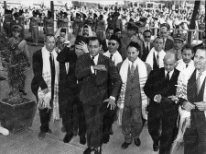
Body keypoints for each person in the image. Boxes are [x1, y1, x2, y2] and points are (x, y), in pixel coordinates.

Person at [75, 37, 121, 154]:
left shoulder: (106, 60)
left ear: (100, 47)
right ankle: (92, 147)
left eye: (95, 47)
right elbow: (78, 74)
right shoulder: (82, 58)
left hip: (101, 99)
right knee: (90, 124)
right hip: (86, 98)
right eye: (90, 46)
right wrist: (92, 68)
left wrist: (112, 97)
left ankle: (97, 148)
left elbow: (117, 80)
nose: (92, 49)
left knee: (98, 124)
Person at [144, 52, 180, 154]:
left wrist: (177, 98)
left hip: (170, 110)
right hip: (155, 108)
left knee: (167, 135)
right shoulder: (154, 73)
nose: (168, 67)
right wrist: (154, 96)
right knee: (152, 129)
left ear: (176, 63)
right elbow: (146, 88)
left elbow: (182, 94)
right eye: (166, 64)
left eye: (171, 65)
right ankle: (156, 140)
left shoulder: (180, 75)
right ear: (163, 62)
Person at [118, 42, 151, 149]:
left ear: (138, 52)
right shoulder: (120, 66)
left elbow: (149, 86)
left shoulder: (146, 67)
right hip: (125, 99)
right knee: (125, 121)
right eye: (129, 53)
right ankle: (127, 139)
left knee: (137, 121)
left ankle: (136, 136)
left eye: (133, 52)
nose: (131, 55)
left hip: (138, 100)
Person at [56, 35, 87, 144]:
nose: (78, 51)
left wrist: (87, 53)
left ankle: (82, 134)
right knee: (68, 112)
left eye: (81, 49)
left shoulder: (89, 56)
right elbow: (59, 58)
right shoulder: (71, 53)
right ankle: (69, 132)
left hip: (84, 90)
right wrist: (68, 46)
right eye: (77, 48)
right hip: (71, 88)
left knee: (82, 113)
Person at [31, 35, 60, 139]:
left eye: (53, 42)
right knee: (43, 107)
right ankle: (43, 128)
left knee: (50, 105)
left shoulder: (57, 53)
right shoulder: (38, 54)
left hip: (53, 84)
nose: (51, 44)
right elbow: (37, 72)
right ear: (44, 42)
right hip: (40, 85)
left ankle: (46, 126)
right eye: (49, 42)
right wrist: (44, 86)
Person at [180, 46, 206, 154]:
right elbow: (179, 95)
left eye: (201, 58)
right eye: (196, 56)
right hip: (189, 120)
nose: (197, 60)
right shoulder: (185, 73)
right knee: (189, 148)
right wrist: (183, 103)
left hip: (204, 122)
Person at [8, 24, 30, 95]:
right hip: (13, 59)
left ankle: (21, 89)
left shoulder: (23, 41)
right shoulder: (10, 40)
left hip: (21, 60)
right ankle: (12, 90)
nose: (15, 33)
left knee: (21, 75)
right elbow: (9, 50)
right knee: (12, 75)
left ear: (20, 33)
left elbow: (26, 51)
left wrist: (28, 59)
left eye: (17, 32)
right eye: (14, 31)